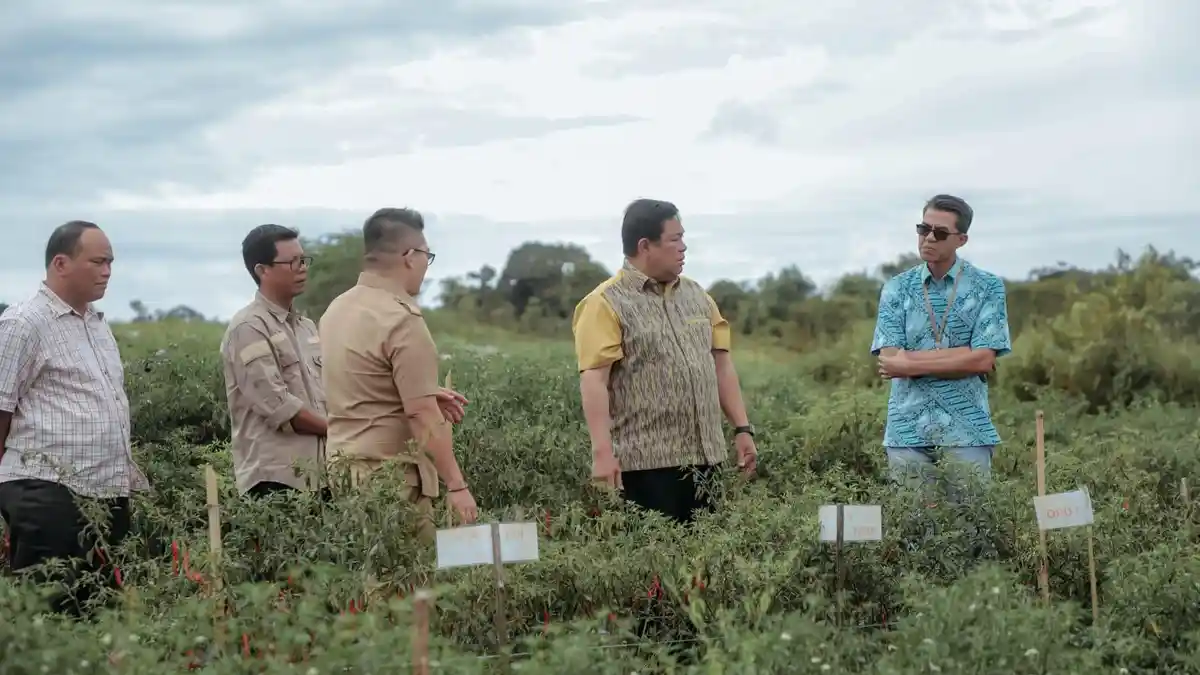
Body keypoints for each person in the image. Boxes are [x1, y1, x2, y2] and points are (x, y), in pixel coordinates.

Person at [571, 198, 758, 525]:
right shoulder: (604, 303)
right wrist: (602, 453)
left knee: (707, 564)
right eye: (674, 239)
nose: (683, 248)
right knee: (657, 566)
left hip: (707, 459)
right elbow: (594, 381)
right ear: (645, 246)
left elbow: (721, 366)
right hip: (646, 466)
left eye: (682, 238)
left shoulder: (698, 296)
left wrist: (742, 428)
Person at [0, 220, 149, 617]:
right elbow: (1, 407)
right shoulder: (23, 323)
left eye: (111, 263)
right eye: (98, 261)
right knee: (54, 610)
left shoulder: (98, 325)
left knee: (101, 609)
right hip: (46, 490)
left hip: (105, 490)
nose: (107, 272)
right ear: (61, 263)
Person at [319, 207, 478, 543]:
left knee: (366, 581)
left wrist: (423, 390)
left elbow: (361, 380)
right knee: (405, 586)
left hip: (344, 471)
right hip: (390, 477)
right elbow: (421, 415)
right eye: (427, 256)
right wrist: (457, 485)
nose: (425, 267)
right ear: (410, 256)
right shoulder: (401, 319)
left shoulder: (337, 309)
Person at [872, 194, 1012, 487]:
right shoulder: (896, 288)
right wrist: (961, 357)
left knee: (973, 527)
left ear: (961, 240)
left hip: (967, 430)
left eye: (940, 233)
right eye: (923, 229)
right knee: (913, 527)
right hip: (906, 431)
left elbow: (983, 359)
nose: (928, 238)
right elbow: (889, 359)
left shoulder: (987, 287)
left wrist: (909, 363)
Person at [220, 224, 328, 499]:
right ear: (262, 270)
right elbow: (278, 407)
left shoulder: (306, 327)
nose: (302, 268)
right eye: (292, 262)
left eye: (304, 260)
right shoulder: (249, 327)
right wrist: (341, 430)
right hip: (276, 480)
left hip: (321, 476)